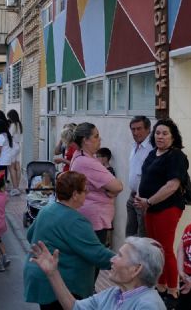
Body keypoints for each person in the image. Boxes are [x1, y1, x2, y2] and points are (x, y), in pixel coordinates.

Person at [24, 171, 115, 309]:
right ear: (75, 195)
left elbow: (30, 235)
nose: (88, 193)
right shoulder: (76, 221)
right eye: (85, 190)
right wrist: (125, 261)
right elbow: (98, 254)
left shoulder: (47, 209)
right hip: (63, 285)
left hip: (41, 278)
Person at [133, 118, 189, 306]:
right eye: (157, 133)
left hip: (167, 208)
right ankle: (161, 286)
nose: (160, 136)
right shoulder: (152, 153)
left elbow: (172, 185)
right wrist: (141, 198)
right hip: (149, 208)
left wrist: (148, 201)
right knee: (156, 249)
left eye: (165, 133)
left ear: (173, 137)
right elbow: (145, 177)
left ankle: (173, 291)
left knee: (165, 249)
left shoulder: (176, 156)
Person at [29, 237, 166, 310]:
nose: (112, 259)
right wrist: (53, 273)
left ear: (136, 269)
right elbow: (75, 307)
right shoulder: (114, 294)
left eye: (119, 256)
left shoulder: (148, 305)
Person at [70, 122, 123, 254]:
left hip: (91, 217)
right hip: (93, 219)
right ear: (85, 140)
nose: (99, 139)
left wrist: (108, 189)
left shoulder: (80, 156)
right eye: (96, 136)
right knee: (93, 263)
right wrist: (109, 189)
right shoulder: (87, 162)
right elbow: (117, 186)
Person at [126, 116, 153, 238]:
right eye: (133, 129)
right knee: (130, 235)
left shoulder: (152, 148)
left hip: (143, 198)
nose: (135, 132)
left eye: (139, 129)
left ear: (148, 129)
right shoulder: (135, 145)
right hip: (132, 196)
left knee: (142, 236)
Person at [0, 119, 15, 194]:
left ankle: (1, 189)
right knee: (4, 174)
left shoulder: (0, 136)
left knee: (1, 174)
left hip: (2, 159)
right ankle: (6, 188)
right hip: (8, 157)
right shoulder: (7, 135)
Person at [7, 109, 23, 192]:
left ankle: (15, 187)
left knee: (11, 167)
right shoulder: (19, 124)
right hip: (18, 146)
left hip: (12, 146)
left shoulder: (13, 125)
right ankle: (18, 186)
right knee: (17, 166)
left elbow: (10, 136)